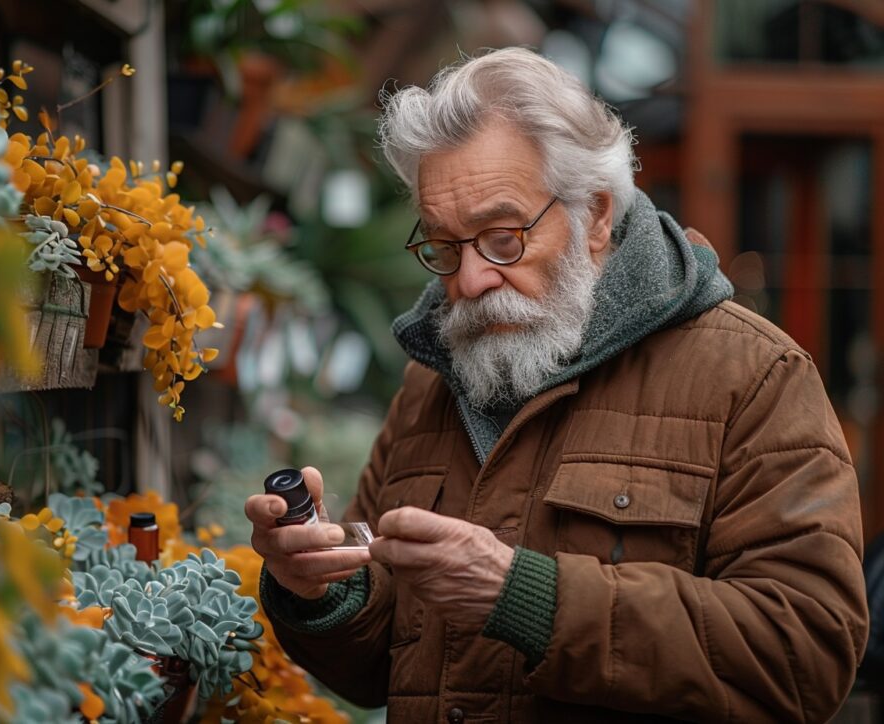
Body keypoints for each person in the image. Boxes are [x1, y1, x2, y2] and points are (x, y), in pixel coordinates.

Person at [245, 47, 868, 723]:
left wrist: (527, 597)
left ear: (595, 216)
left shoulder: (752, 376)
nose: (469, 281)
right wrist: (319, 591)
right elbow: (374, 671)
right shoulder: (431, 381)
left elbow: (805, 655)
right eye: (445, 246)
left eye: (503, 239)